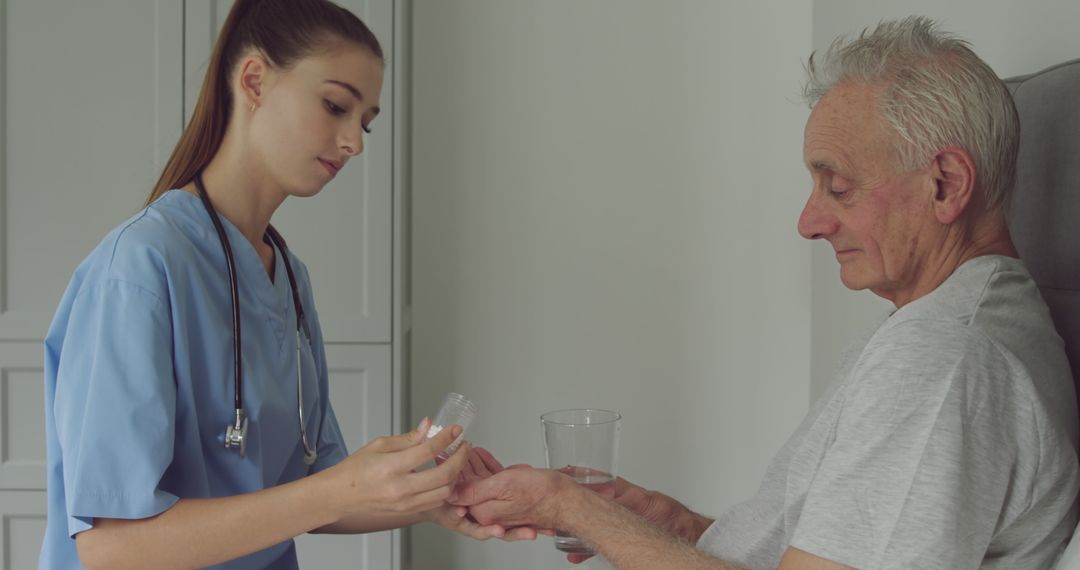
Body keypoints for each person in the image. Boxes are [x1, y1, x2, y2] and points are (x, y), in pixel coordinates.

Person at [452, 16, 1080, 570]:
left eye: (836, 187)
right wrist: (667, 525)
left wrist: (567, 506)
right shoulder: (959, 322)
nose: (808, 222)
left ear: (944, 184)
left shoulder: (940, 362)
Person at [38, 1, 532, 568]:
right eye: (335, 106)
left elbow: (310, 488)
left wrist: (428, 497)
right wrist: (342, 489)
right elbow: (110, 546)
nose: (356, 143)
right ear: (254, 80)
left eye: (365, 121)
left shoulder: (288, 278)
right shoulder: (140, 269)